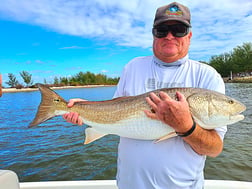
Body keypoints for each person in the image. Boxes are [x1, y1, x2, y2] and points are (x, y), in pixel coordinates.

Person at [63, 2, 227, 189]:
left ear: (189, 35)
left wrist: (185, 126)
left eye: (178, 30)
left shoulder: (206, 76)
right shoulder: (133, 67)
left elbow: (214, 148)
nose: (169, 36)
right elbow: (118, 106)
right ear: (153, 34)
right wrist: (87, 108)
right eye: (162, 30)